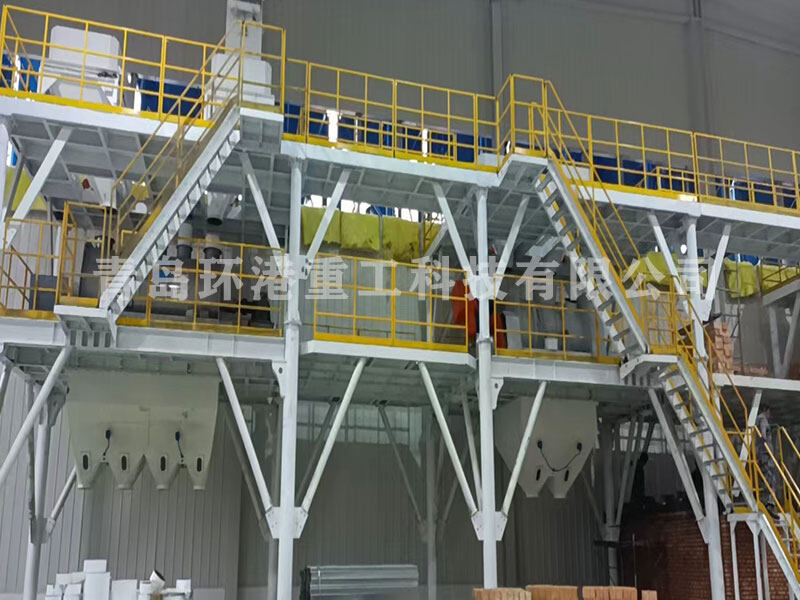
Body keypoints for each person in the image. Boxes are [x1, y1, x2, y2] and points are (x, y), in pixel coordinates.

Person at [755, 406, 782, 513]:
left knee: (764, 479)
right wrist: (768, 449)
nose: (770, 414)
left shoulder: (758, 420)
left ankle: (765, 501)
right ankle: (769, 503)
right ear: (765, 411)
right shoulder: (763, 420)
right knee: (771, 479)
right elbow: (763, 436)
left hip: (761, 454)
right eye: (769, 412)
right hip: (765, 454)